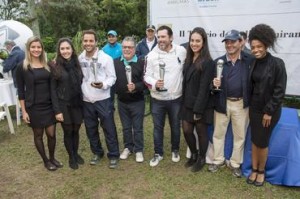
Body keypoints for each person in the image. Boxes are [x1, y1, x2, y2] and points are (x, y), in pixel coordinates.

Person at [208, 30, 254, 177]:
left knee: (240, 135)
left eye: (233, 41)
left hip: (241, 104)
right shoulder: (218, 62)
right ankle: (218, 160)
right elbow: (209, 86)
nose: (229, 45)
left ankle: (235, 163)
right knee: (218, 133)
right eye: (227, 42)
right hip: (222, 102)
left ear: (240, 42)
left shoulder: (249, 60)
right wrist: (212, 84)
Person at [246, 24, 287, 186]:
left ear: (267, 45)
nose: (255, 50)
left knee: (262, 142)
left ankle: (261, 171)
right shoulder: (252, 62)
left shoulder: (277, 63)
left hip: (269, 112)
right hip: (254, 109)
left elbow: (279, 91)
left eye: (259, 47)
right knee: (255, 141)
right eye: (253, 47)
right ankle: (254, 170)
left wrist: (269, 111)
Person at [16, 36, 63, 171]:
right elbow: (20, 91)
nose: (36, 49)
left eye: (38, 47)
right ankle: (46, 160)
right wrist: (24, 111)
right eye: (33, 47)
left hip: (49, 106)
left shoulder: (47, 65)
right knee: (38, 135)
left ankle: (53, 157)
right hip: (34, 107)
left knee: (52, 134)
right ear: (28, 49)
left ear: (42, 49)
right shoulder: (22, 67)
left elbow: (56, 80)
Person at [144, 25, 187, 167]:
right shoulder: (151, 55)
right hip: (158, 100)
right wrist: (155, 83)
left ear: (171, 37)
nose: (160, 39)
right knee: (158, 127)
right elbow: (146, 76)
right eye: (159, 37)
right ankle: (158, 153)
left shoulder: (181, 51)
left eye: (163, 37)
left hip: (176, 99)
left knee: (175, 126)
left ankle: (175, 150)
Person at [79, 29, 120, 169]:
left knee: (109, 128)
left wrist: (103, 84)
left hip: (103, 98)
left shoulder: (105, 58)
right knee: (91, 129)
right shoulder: (80, 58)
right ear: (82, 42)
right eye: (85, 41)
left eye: (91, 40)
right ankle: (97, 152)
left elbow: (112, 78)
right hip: (86, 100)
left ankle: (114, 155)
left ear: (96, 42)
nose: (88, 43)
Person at [181, 27, 215, 172]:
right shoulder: (189, 58)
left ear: (203, 42)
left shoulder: (208, 62)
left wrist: (198, 110)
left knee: (201, 132)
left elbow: (204, 88)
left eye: (197, 41)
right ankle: (193, 154)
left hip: (201, 104)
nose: (194, 43)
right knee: (187, 130)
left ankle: (201, 158)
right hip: (187, 102)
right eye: (192, 40)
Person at [49, 38, 84, 170]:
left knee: (76, 130)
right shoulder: (55, 66)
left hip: (77, 103)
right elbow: (53, 90)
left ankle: (76, 153)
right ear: (59, 51)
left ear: (72, 49)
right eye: (62, 49)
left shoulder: (77, 64)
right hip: (64, 105)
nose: (65, 51)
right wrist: (57, 111)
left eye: (67, 48)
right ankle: (71, 157)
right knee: (68, 131)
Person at [114, 36, 146, 163]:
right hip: (122, 101)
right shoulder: (115, 62)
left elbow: (146, 82)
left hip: (137, 101)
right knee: (126, 127)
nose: (127, 49)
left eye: (130, 47)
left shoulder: (141, 62)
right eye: (124, 47)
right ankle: (128, 147)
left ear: (134, 49)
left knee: (137, 128)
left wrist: (136, 86)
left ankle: (138, 150)